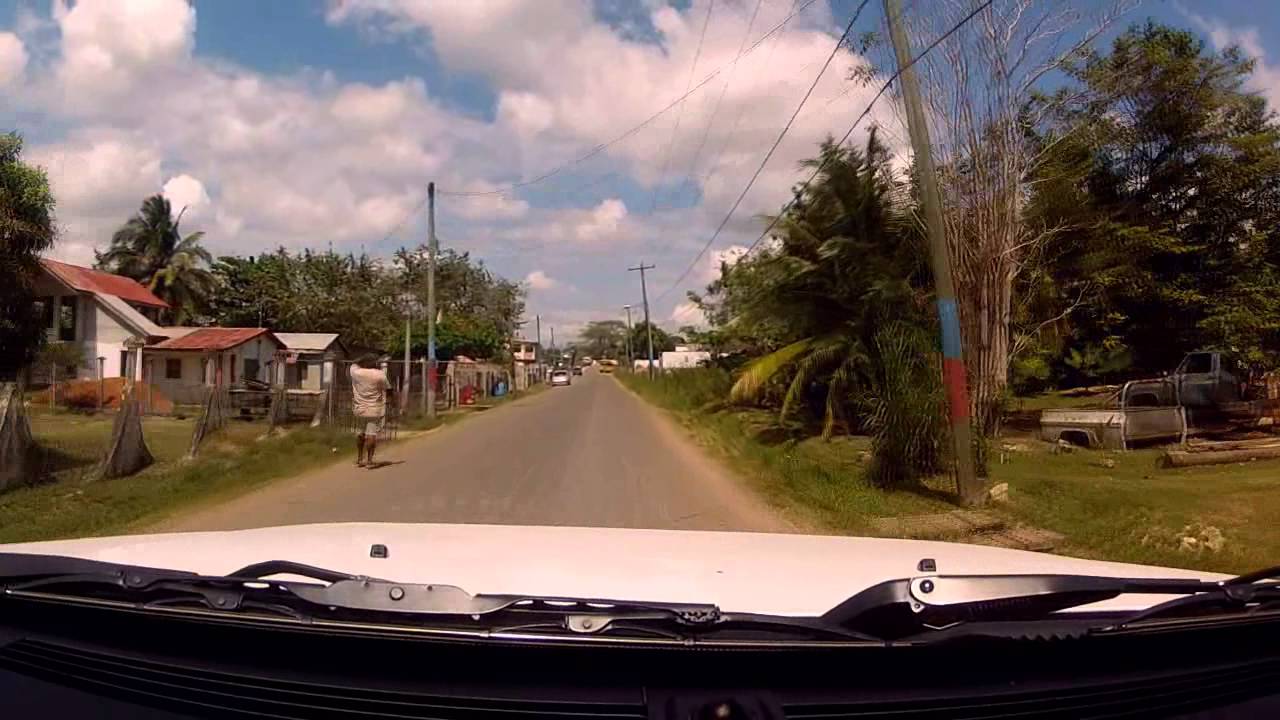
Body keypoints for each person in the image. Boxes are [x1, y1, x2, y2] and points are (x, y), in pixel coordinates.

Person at [350, 354, 391, 468]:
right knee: (371, 434)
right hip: (374, 409)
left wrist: (360, 359)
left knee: (360, 433)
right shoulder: (379, 374)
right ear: (375, 363)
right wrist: (390, 402)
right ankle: (369, 460)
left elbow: (354, 362)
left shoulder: (356, 373)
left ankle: (359, 458)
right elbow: (388, 389)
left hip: (359, 408)